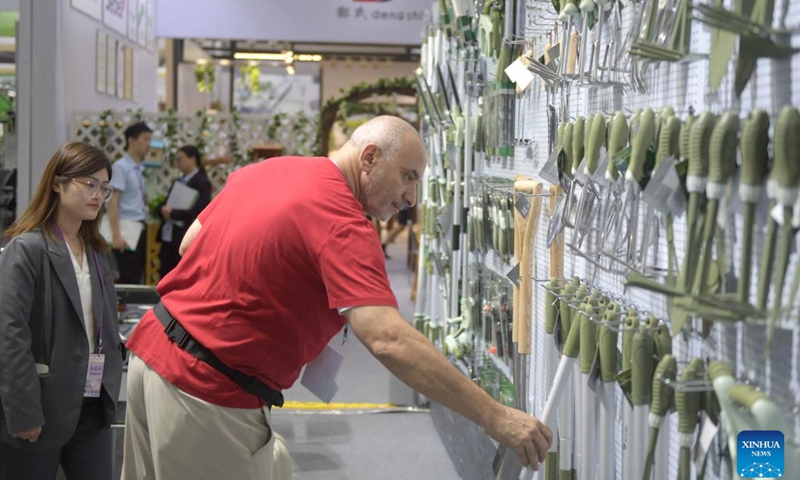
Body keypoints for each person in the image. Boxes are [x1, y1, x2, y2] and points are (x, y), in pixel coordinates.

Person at [120, 116, 552, 480]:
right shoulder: (342, 220)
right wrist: (496, 416)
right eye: (407, 177)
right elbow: (389, 340)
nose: (410, 198)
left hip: (150, 358)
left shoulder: (271, 169)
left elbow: (190, 243)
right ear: (369, 158)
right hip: (206, 390)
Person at [0, 142, 124, 480]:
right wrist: (24, 412)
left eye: (104, 187)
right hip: (41, 406)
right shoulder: (27, 249)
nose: (98, 195)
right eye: (89, 184)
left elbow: (106, 327)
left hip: (92, 406)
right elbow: (10, 337)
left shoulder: (96, 251)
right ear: (57, 183)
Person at [156, 145, 212, 278]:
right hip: (169, 234)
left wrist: (173, 214)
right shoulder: (179, 180)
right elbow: (167, 202)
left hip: (184, 235)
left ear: (192, 159)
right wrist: (162, 210)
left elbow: (200, 211)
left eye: (180, 158)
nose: (178, 162)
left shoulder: (202, 182)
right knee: (165, 271)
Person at [107, 121, 152, 284]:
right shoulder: (121, 167)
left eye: (150, 140)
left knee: (137, 274)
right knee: (128, 276)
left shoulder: (139, 168)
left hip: (139, 226)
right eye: (145, 139)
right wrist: (116, 235)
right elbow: (112, 202)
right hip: (126, 228)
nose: (149, 144)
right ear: (131, 141)